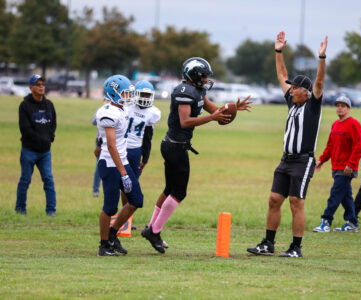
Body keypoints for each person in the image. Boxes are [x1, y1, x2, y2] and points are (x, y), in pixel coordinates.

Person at [141, 57, 251, 254]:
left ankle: (151, 228)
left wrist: (233, 108)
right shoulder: (184, 91)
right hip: (175, 147)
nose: (206, 79)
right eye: (203, 75)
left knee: (169, 189)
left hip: (175, 145)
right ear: (193, 75)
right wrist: (212, 118)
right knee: (178, 192)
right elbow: (185, 121)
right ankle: (154, 232)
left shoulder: (198, 90)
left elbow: (214, 110)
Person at [247, 31, 327, 258]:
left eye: (295, 89)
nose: (290, 90)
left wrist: (321, 58)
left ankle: (296, 248)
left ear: (305, 92)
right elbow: (282, 74)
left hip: (303, 160)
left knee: (295, 202)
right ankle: (268, 244)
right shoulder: (292, 103)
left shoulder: (312, 106)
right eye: (291, 89)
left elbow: (319, 82)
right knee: (274, 200)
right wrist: (278, 51)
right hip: (286, 160)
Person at [96, 74, 144, 256]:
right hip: (110, 164)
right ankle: (103, 245)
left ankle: (112, 235)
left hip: (122, 161)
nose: (128, 97)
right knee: (110, 207)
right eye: (124, 93)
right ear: (114, 93)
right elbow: (111, 145)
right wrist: (123, 173)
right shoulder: (108, 112)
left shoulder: (121, 109)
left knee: (136, 200)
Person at [313, 95, 361, 232]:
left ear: (348, 108)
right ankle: (352, 222)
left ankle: (326, 221)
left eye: (343, 105)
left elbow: (358, 148)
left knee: (335, 194)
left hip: (346, 168)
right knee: (345, 196)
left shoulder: (354, 124)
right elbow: (330, 146)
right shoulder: (335, 124)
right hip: (336, 166)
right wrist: (321, 160)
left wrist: (350, 165)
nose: (339, 108)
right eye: (338, 105)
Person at [120, 80, 161, 230]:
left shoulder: (152, 113)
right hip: (121, 148)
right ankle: (123, 219)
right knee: (122, 185)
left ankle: (126, 219)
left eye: (147, 95)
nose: (144, 97)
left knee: (131, 185)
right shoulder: (126, 106)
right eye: (142, 94)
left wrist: (146, 158)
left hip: (135, 151)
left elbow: (148, 137)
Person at [16, 75, 57, 216]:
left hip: (45, 152)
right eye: (38, 84)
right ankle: (20, 209)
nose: (41, 87)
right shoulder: (25, 106)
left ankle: (51, 211)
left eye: (43, 84)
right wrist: (42, 140)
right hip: (29, 150)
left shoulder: (49, 105)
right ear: (31, 88)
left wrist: (50, 137)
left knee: (48, 180)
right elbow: (25, 128)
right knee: (25, 180)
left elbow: (53, 123)